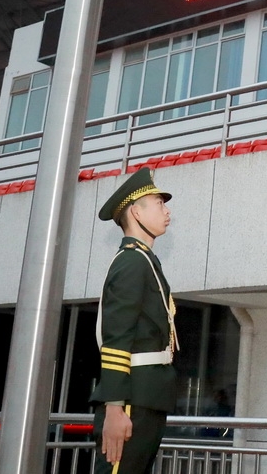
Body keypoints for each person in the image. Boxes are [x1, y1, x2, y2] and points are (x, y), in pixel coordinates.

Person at [90, 167, 177, 474]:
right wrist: (114, 407)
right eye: (159, 204)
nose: (167, 212)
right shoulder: (131, 261)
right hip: (130, 400)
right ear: (137, 212)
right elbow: (117, 339)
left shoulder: (144, 260)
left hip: (145, 396)